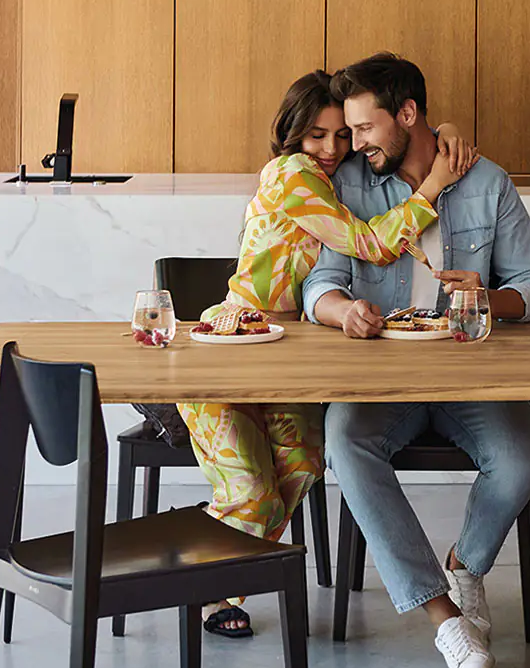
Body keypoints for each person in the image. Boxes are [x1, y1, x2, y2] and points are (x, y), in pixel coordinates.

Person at [137, 70, 478, 639]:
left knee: (303, 462)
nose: (331, 149)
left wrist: (444, 129)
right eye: (317, 135)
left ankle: (200, 559)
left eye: (341, 136)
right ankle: (189, 575)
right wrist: (434, 184)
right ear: (294, 133)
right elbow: (371, 244)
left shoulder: (336, 172)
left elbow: (396, 139)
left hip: (288, 349)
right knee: (250, 492)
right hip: (232, 339)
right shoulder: (293, 174)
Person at [302, 53, 530, 668]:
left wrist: (488, 298)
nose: (352, 144)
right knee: (344, 440)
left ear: (408, 115)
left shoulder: (487, 181)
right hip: (383, 380)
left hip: (470, 376)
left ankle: (464, 567)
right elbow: (319, 287)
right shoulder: (350, 188)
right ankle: (445, 619)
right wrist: (343, 312)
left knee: (522, 454)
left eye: (363, 129)